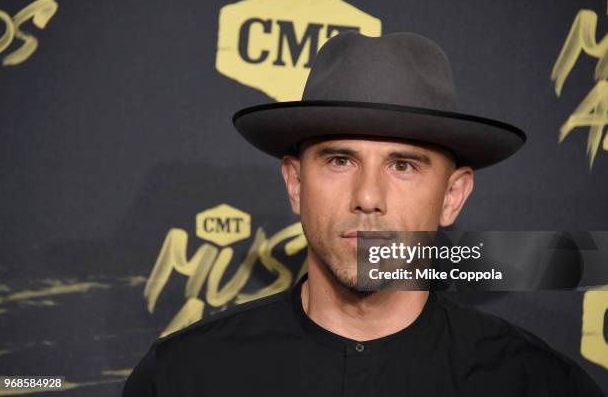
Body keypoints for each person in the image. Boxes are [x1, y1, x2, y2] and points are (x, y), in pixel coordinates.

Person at [122, 31, 604, 396]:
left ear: (452, 196)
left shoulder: (538, 385)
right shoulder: (183, 378)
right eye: (339, 160)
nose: (368, 196)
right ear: (294, 183)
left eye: (403, 165)